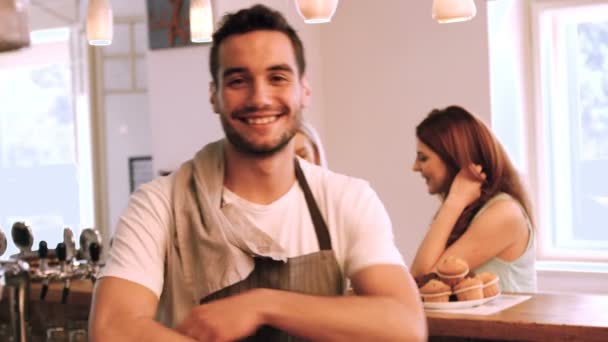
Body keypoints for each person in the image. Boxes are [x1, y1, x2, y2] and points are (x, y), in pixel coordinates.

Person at [89, 4, 426, 342]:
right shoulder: (158, 205)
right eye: (238, 80)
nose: (259, 97)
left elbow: (405, 325)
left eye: (277, 77)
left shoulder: (346, 199)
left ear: (303, 90)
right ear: (214, 96)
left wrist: (263, 304)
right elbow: (111, 328)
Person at [410, 105, 537, 293]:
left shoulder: (503, 213)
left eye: (423, 158)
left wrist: (454, 201)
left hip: (503, 322)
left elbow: (422, 280)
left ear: (453, 158)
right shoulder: (471, 211)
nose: (415, 167)